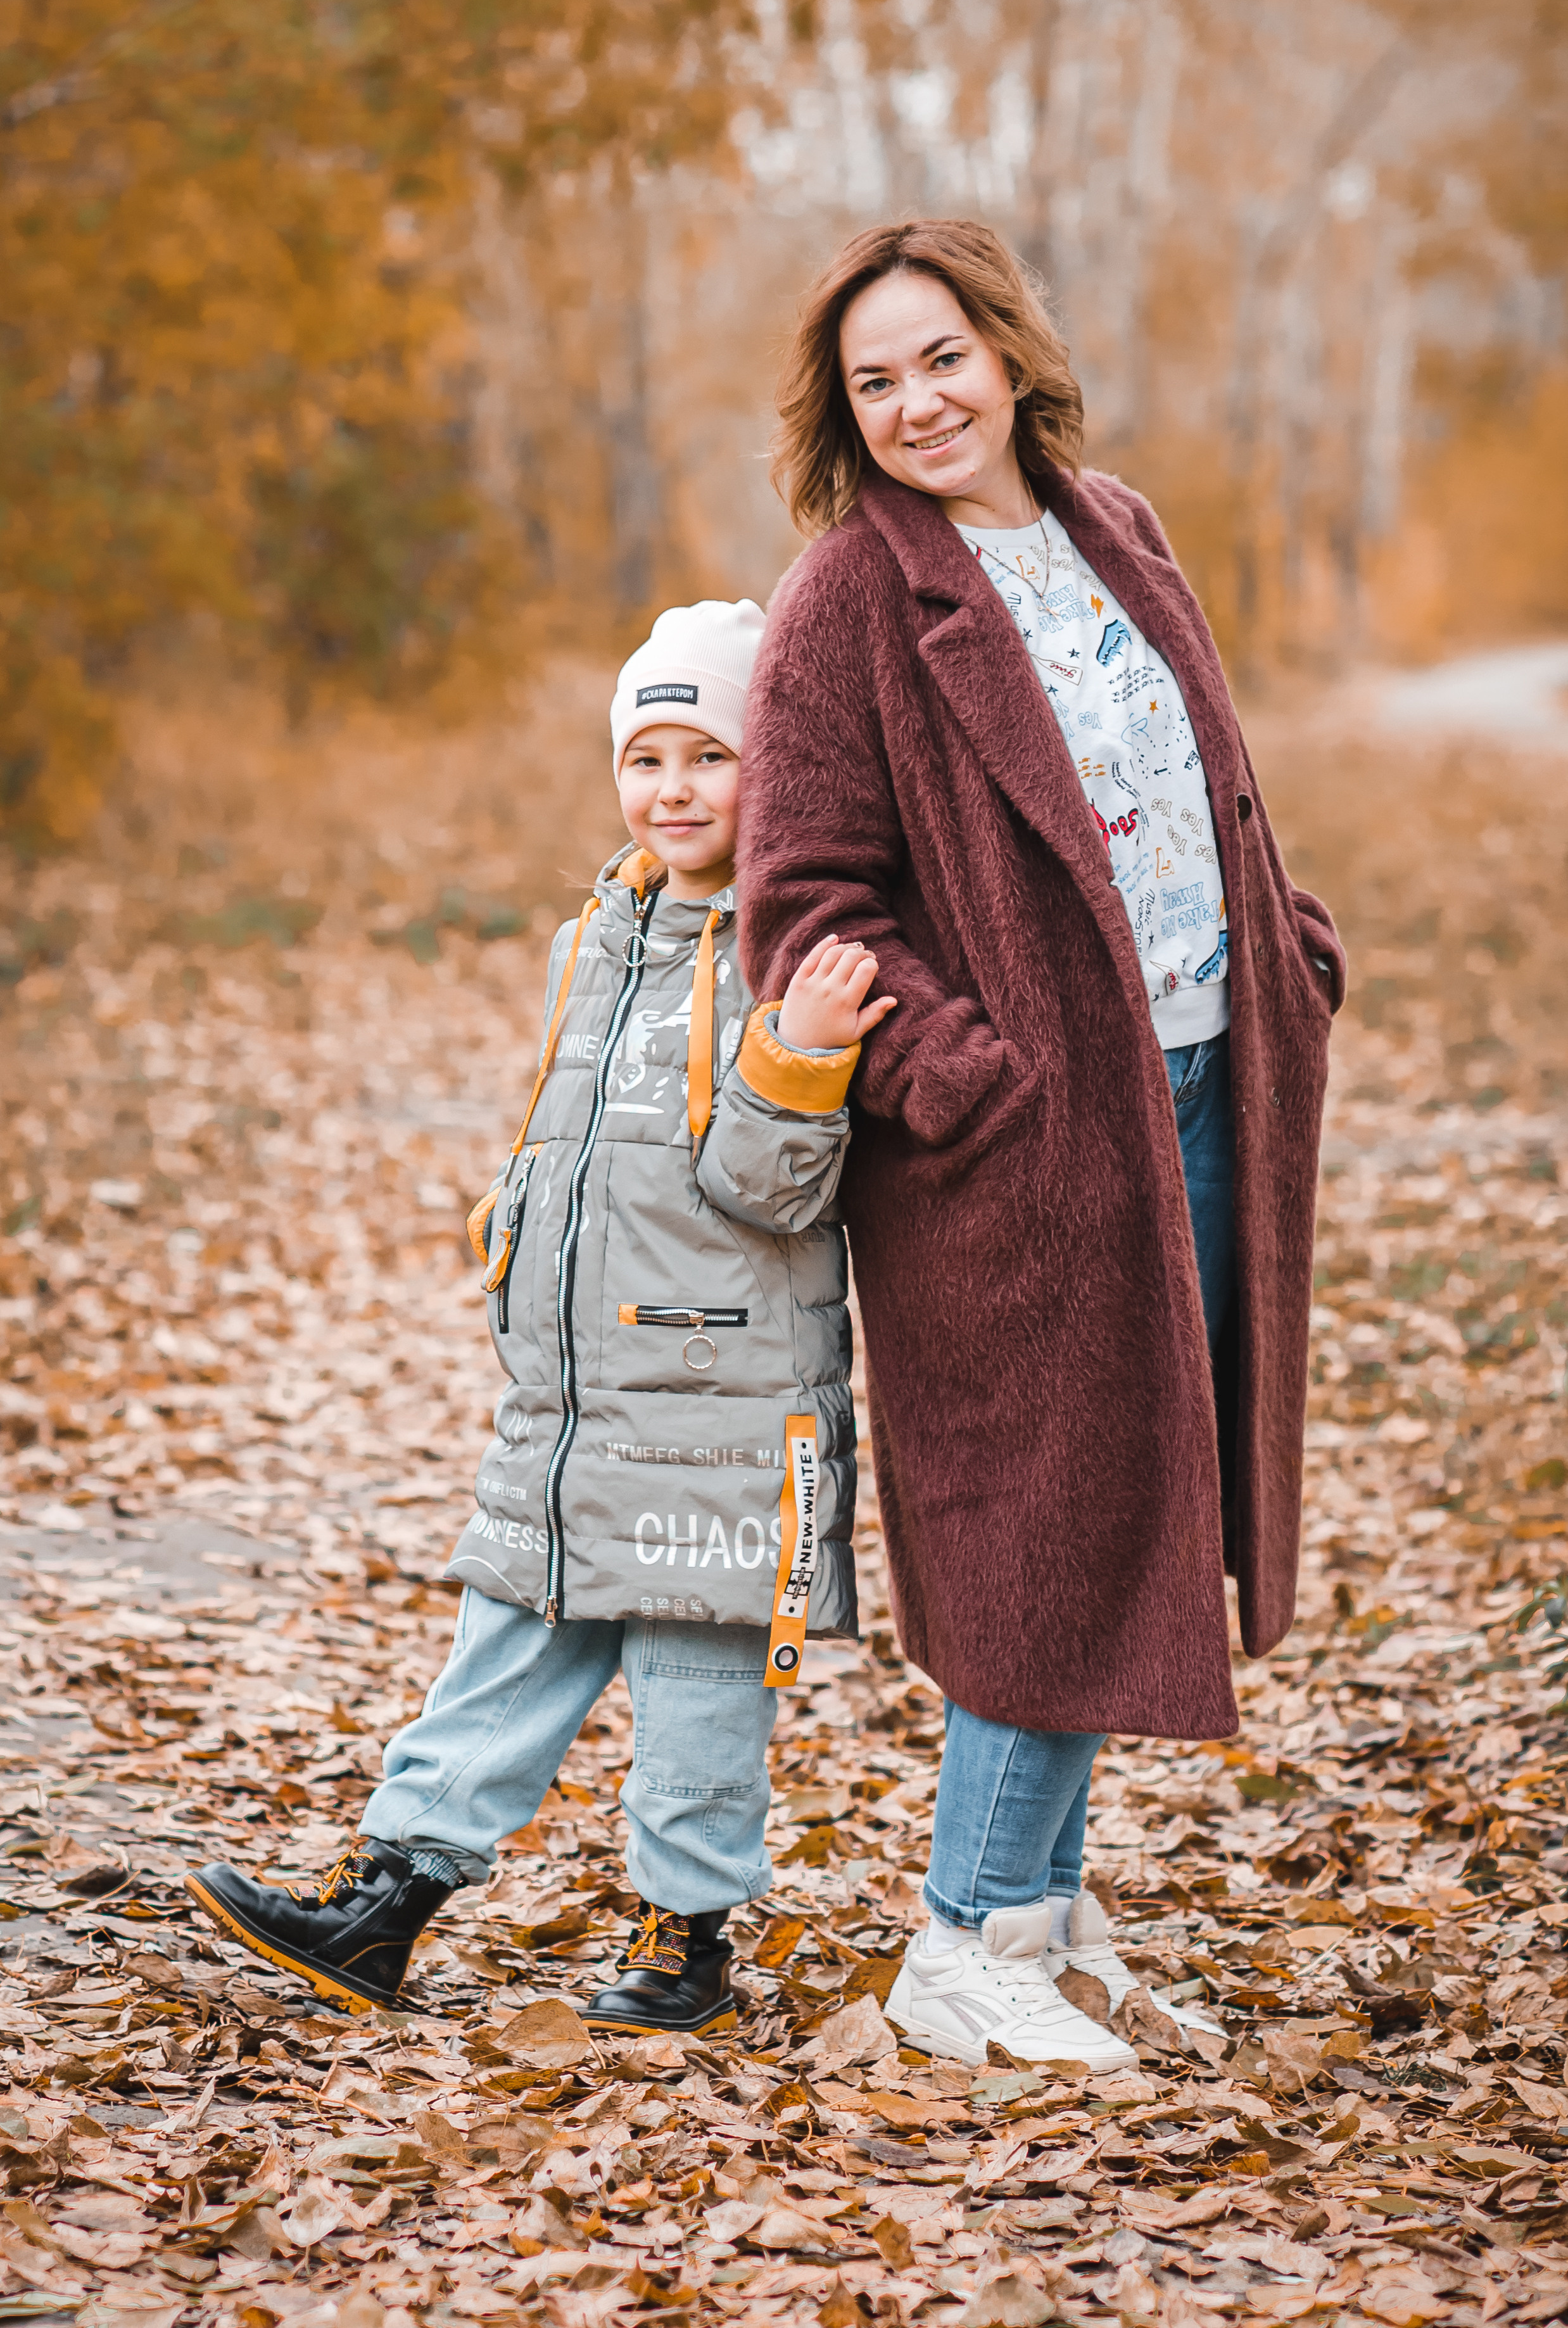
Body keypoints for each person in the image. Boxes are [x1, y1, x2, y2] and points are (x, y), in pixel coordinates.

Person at [738, 219, 1346, 2066]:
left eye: (942, 358)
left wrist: (1289, 945)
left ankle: (1043, 1920)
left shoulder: (1119, 531)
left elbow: (1203, 778)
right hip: (1018, 1144)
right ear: (843, 415)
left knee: (1131, 1492)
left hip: (1201, 1083)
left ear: (1006, 353)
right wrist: (967, 1077)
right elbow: (804, 906)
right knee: (1041, 1524)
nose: (918, 400)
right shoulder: (845, 600)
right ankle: (958, 1942)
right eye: (875, 380)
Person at [186, 600, 901, 2038]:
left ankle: (682, 1933)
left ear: (780, 774)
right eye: (647, 756)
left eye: (712, 754)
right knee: (503, 1640)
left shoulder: (788, 947)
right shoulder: (603, 931)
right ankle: (385, 1900)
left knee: (699, 1681)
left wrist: (802, 1061)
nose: (675, 789)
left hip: (717, 1396)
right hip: (572, 1394)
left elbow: (770, 1194)